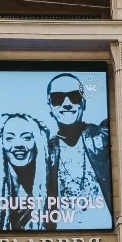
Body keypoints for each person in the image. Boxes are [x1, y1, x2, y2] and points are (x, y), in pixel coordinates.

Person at [44, 73, 112, 229]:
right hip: (58, 237)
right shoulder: (45, 151)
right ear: (50, 106)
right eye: (57, 98)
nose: (67, 103)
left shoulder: (105, 138)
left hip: (104, 231)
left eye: (74, 96)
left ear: (84, 102)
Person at [0, 113, 52, 231]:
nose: (18, 145)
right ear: (0, 144)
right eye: (9, 138)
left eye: (27, 138)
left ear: (38, 142)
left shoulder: (53, 186)